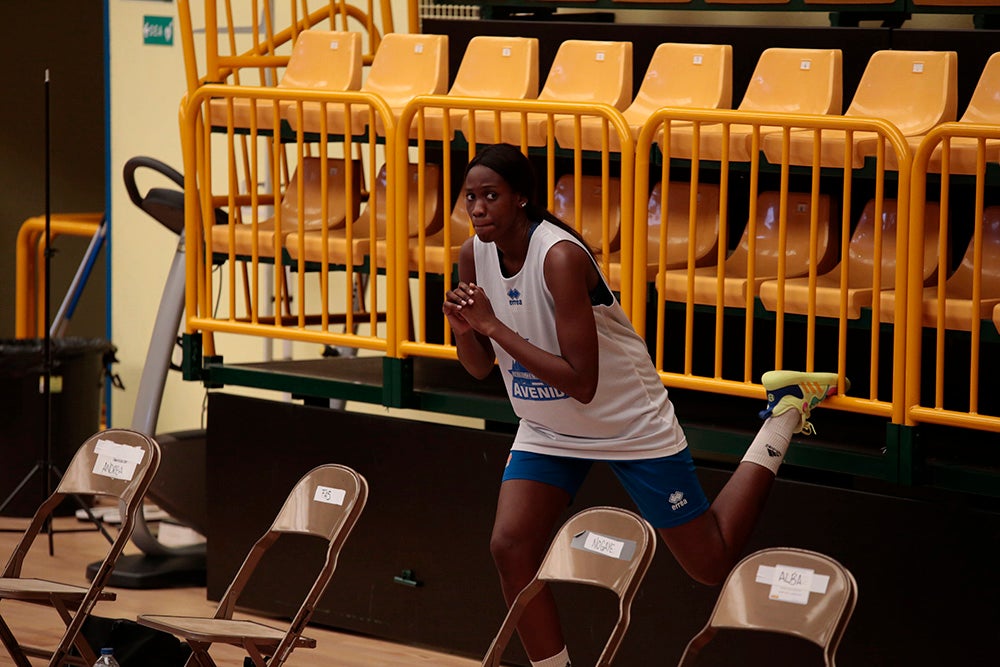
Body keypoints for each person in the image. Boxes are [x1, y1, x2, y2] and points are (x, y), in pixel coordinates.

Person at [442, 143, 848, 667]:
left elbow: (582, 383)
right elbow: (479, 368)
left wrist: (493, 326)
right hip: (546, 427)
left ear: (521, 198)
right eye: (470, 197)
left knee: (710, 563)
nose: (477, 209)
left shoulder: (559, 257)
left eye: (490, 196)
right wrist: (465, 332)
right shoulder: (472, 255)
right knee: (510, 548)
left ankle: (786, 411)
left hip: (625, 419)